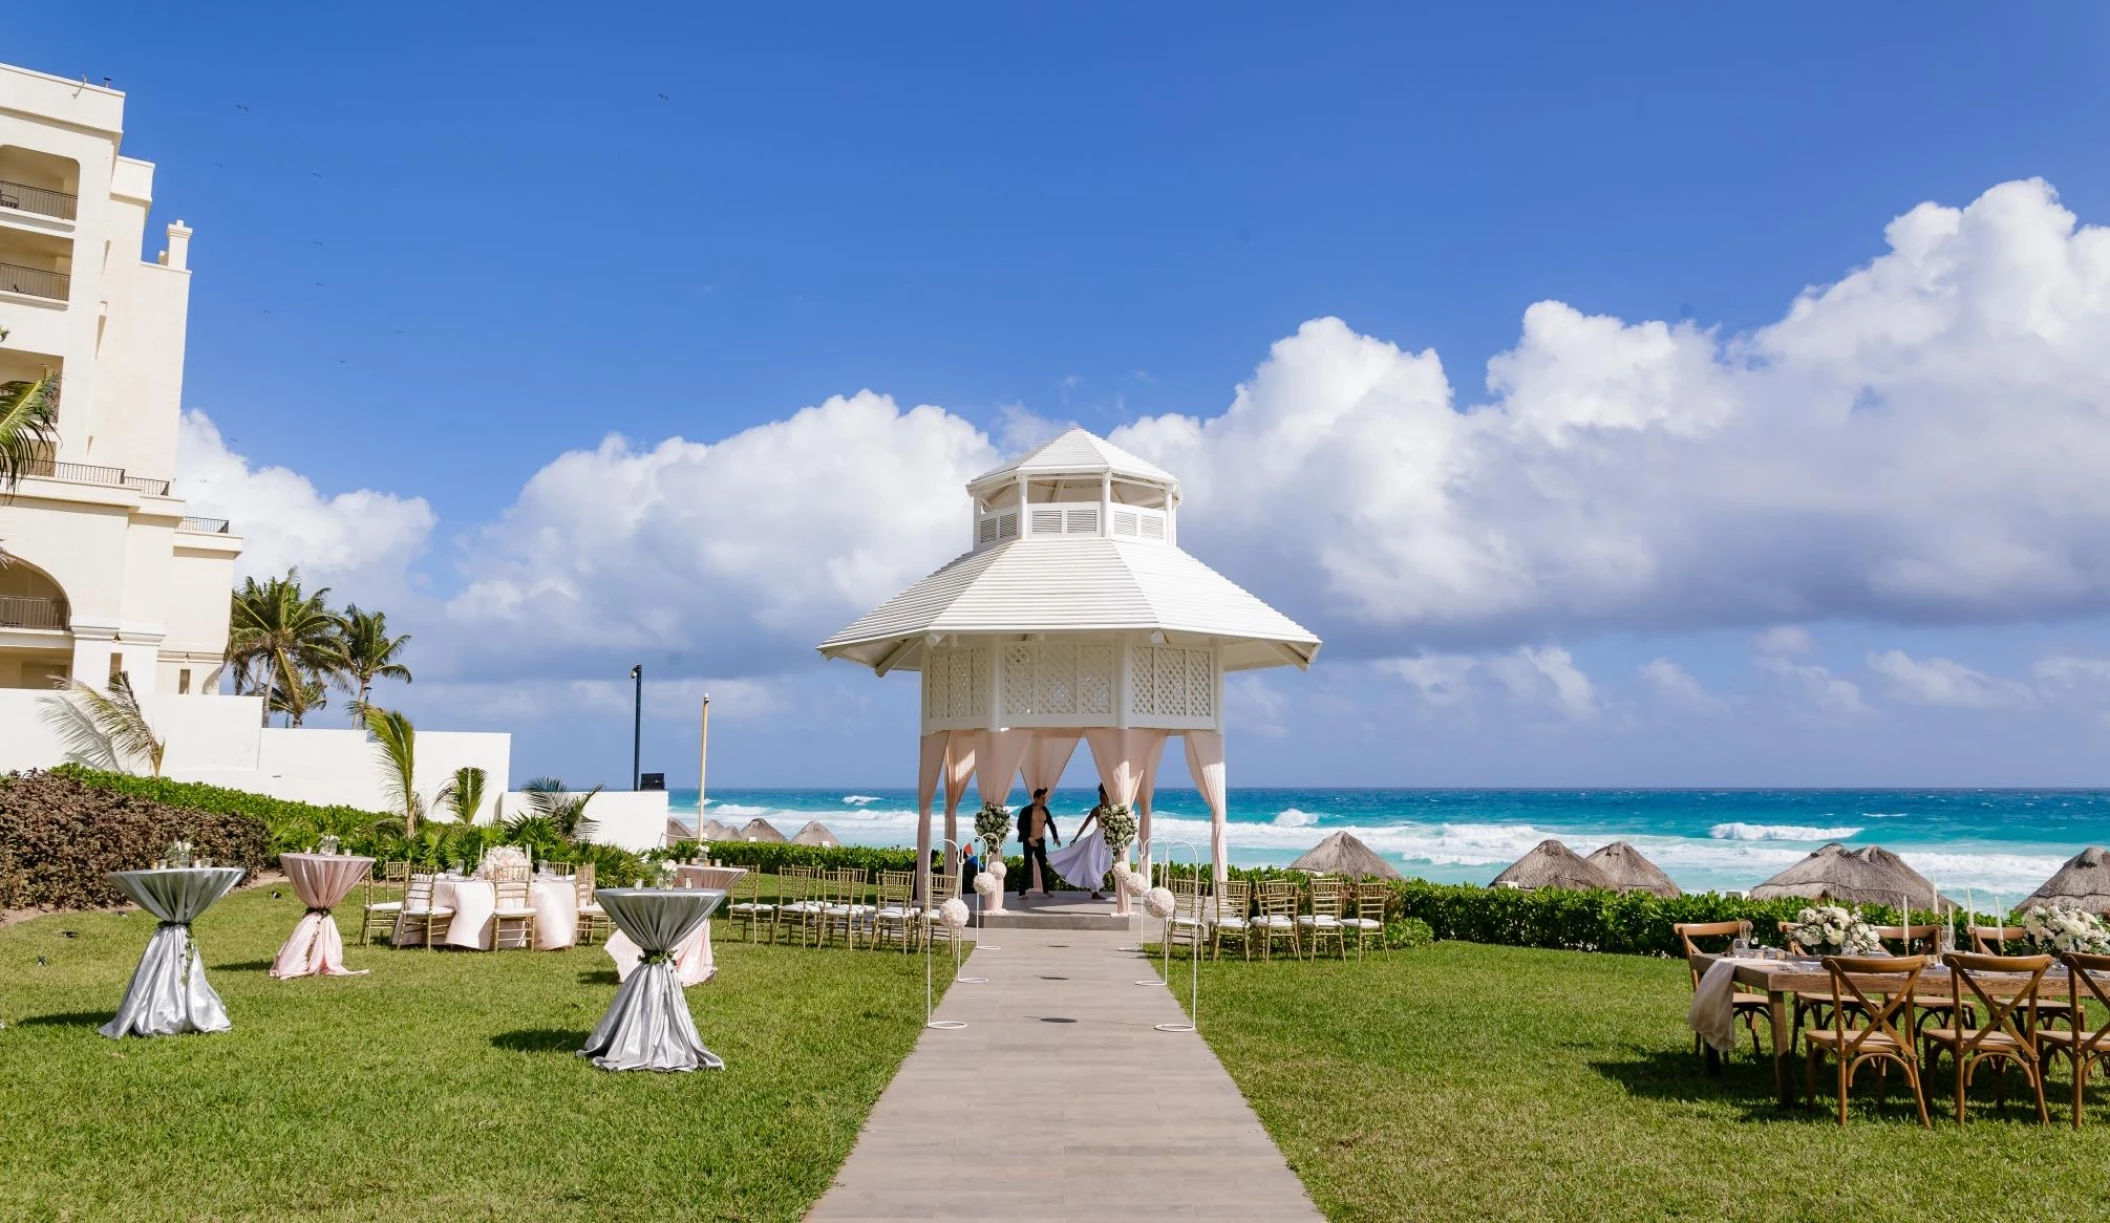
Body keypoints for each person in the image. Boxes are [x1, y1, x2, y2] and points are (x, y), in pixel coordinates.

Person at [1047, 784, 1114, 900]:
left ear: (1108, 797)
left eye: (1104, 798)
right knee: (1093, 863)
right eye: (1100, 798)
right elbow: (1085, 824)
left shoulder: (1113, 809)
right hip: (1097, 839)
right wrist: (1076, 838)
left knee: (1106, 864)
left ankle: (1098, 889)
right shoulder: (1097, 809)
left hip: (1107, 840)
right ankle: (1095, 892)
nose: (1102, 800)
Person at [1016, 788, 1061, 896]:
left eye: (1044, 798)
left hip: (1040, 841)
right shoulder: (1026, 810)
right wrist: (1028, 838)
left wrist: (1055, 837)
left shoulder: (1045, 810)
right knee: (1027, 865)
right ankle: (1022, 893)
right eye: (1042, 798)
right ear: (1035, 798)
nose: (1044, 800)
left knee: (1043, 866)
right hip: (1029, 841)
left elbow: (1050, 823)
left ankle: (1046, 891)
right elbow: (1020, 826)